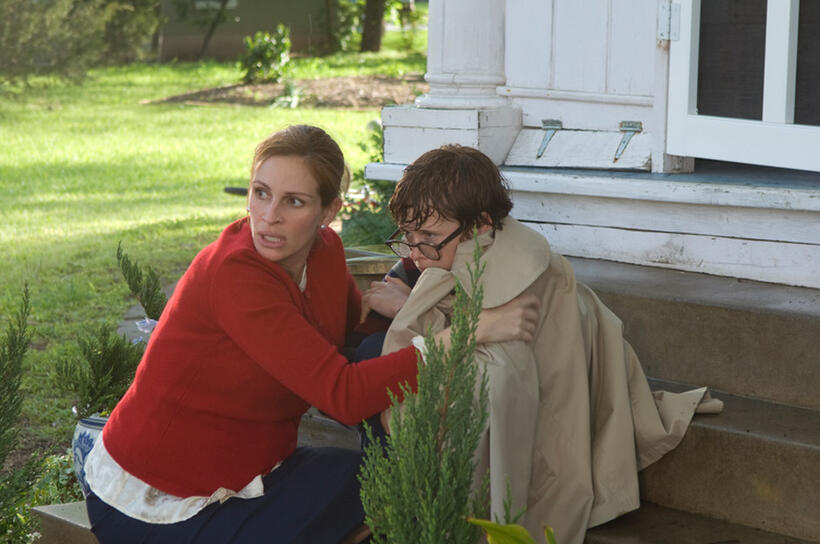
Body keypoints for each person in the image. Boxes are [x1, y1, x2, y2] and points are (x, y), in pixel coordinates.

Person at [82, 126, 539, 544]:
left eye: (293, 202)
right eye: (260, 194)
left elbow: (346, 344)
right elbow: (340, 394)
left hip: (253, 473)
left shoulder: (324, 253)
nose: (269, 216)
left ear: (328, 212)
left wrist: (406, 304)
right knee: (383, 490)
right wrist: (468, 332)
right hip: (157, 499)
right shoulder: (236, 275)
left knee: (383, 477)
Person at [361, 144, 723, 544]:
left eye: (427, 237)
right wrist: (416, 302)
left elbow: (497, 376)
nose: (415, 254)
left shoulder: (521, 282)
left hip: (540, 429)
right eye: (407, 237)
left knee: (375, 370)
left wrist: (412, 312)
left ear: (480, 223)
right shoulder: (467, 253)